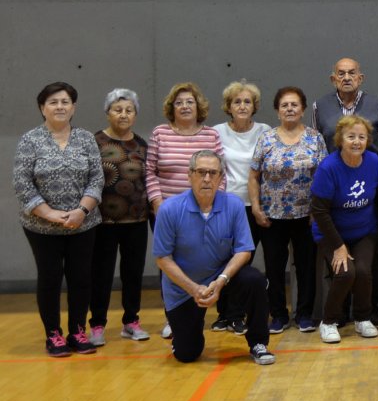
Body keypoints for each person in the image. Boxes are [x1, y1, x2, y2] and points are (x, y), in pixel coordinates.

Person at [153, 150, 274, 365]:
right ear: (189, 175)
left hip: (221, 279)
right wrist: (193, 289)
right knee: (187, 354)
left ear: (221, 177)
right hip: (184, 288)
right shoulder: (169, 209)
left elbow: (244, 251)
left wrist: (221, 281)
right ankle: (187, 330)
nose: (207, 178)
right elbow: (163, 259)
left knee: (254, 280)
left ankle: (258, 343)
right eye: (201, 172)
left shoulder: (234, 205)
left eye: (213, 173)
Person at [14, 82, 104, 356]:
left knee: (81, 279)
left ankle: (77, 331)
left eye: (65, 102)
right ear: (42, 108)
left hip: (83, 224)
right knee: (50, 279)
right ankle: (53, 335)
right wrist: (50, 214)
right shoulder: (30, 140)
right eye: (53, 102)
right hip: (41, 227)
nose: (60, 107)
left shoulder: (86, 138)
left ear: (73, 107)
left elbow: (97, 179)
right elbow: (22, 183)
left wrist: (81, 211)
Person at [311, 57, 378, 325]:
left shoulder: (377, 104)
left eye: (352, 73)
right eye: (341, 73)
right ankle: (337, 314)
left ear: (360, 77)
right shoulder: (320, 106)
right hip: (335, 190)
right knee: (344, 268)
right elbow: (316, 143)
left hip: (367, 188)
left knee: (368, 264)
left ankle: (368, 311)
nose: (347, 77)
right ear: (333, 78)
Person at [145, 82, 225, 340]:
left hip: (205, 211)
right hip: (167, 213)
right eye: (179, 103)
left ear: (198, 106)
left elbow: (221, 172)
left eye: (190, 102)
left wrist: (214, 205)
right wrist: (158, 204)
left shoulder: (211, 135)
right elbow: (150, 171)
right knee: (169, 265)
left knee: (203, 260)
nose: (185, 106)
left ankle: (206, 312)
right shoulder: (160, 133)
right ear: (172, 108)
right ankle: (174, 317)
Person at [249, 87, 327, 336]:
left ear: (302, 109)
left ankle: (304, 314)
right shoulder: (266, 138)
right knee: (274, 267)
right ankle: (279, 315)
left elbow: (323, 176)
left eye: (294, 105)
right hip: (272, 217)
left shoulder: (315, 138)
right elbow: (254, 176)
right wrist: (256, 208)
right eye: (285, 105)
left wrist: (318, 211)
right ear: (277, 111)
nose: (290, 109)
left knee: (306, 267)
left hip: (306, 216)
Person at [310, 116, 378, 344]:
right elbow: (319, 211)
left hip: (364, 230)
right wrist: (339, 246)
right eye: (351, 136)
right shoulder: (328, 167)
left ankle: (363, 318)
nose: (356, 142)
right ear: (340, 140)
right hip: (331, 232)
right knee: (345, 272)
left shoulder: (373, 161)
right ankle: (328, 321)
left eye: (362, 137)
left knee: (362, 271)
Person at [88, 89, 151, 344]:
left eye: (129, 110)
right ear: (108, 113)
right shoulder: (95, 142)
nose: (123, 114)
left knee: (133, 274)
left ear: (135, 115)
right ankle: (97, 325)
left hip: (136, 220)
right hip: (103, 221)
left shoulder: (142, 145)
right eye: (118, 109)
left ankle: (131, 321)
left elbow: (149, 180)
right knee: (101, 274)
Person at [211, 80, 270, 334]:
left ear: (254, 106)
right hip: (226, 206)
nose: (242, 106)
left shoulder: (265, 131)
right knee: (225, 261)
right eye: (237, 102)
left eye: (247, 101)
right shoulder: (217, 132)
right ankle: (223, 314)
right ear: (229, 106)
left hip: (255, 206)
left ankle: (236, 314)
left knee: (243, 262)